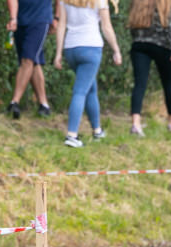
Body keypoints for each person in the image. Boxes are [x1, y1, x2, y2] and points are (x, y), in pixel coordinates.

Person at [53, 0, 122, 148]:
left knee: (91, 88)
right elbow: (106, 27)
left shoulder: (65, 1)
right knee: (80, 92)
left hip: (71, 49)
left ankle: (97, 131)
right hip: (91, 48)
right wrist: (116, 50)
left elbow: (61, 26)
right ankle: (72, 135)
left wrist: (58, 53)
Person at [128, 0, 171, 137]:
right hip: (162, 46)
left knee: (139, 84)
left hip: (140, 45)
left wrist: (139, 39)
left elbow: (132, 25)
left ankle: (136, 124)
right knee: (168, 83)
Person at [6, 0, 56, 118]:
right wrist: (13, 18)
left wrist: (57, 18)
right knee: (33, 62)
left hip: (40, 20)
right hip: (20, 20)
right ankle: (44, 105)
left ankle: (14, 102)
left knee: (27, 60)